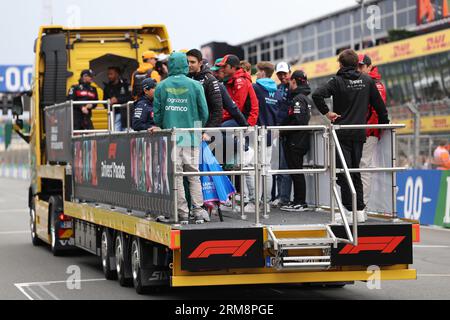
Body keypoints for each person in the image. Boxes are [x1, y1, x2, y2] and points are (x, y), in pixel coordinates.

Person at [312, 49, 389, 223]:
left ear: (340, 64)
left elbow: (317, 94)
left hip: (342, 132)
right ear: (356, 64)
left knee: (343, 173)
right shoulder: (368, 80)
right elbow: (380, 107)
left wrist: (327, 113)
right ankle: (359, 210)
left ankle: (349, 209)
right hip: (359, 133)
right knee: (354, 171)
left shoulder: (337, 81)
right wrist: (385, 125)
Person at [152, 52, 210, 224]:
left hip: (172, 135)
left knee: (176, 176)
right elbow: (204, 112)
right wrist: (196, 128)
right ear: (185, 64)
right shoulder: (195, 85)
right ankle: (198, 211)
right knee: (193, 175)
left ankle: (182, 212)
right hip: (191, 134)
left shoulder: (162, 86)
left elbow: (157, 115)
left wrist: (164, 126)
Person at [244, 61, 280, 212]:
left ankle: (253, 202)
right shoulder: (276, 91)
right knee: (266, 168)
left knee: (250, 167)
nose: (256, 74)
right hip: (269, 134)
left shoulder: (255, 88)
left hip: (255, 133)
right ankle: (266, 203)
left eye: (257, 71)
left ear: (263, 72)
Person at [280, 70, 312, 212]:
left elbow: (300, 121)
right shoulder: (303, 97)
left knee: (296, 171)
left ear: (294, 81)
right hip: (298, 139)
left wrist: (282, 130)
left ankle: (301, 202)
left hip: (296, 141)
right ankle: (298, 200)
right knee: (295, 171)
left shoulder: (298, 98)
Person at [357, 54, 387, 205]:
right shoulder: (362, 82)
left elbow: (377, 112)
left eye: (361, 66)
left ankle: (363, 207)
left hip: (369, 132)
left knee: (363, 167)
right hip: (361, 132)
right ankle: (357, 207)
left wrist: (366, 130)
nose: (358, 69)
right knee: (358, 168)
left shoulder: (376, 84)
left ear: (369, 67)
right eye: (356, 66)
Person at [217, 54, 259, 127]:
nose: (222, 69)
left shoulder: (240, 81)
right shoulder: (230, 80)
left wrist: (220, 117)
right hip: (238, 117)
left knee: (219, 128)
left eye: (224, 66)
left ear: (233, 67)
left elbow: (236, 107)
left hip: (246, 120)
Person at [271, 61, 292, 208]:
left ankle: (284, 198)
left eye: (284, 73)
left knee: (285, 167)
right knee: (277, 166)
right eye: (280, 74)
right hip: (277, 131)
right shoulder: (277, 88)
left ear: (290, 72)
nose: (282, 76)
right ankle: (279, 196)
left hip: (289, 132)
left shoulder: (295, 87)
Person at [187, 49, 223, 128]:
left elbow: (218, 110)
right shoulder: (185, 79)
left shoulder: (210, 80)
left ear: (200, 63)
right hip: (188, 126)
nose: (189, 65)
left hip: (205, 128)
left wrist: (207, 131)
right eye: (187, 62)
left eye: (192, 62)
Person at [210, 58, 249, 127]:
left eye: (217, 71)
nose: (215, 74)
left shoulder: (239, 81)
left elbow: (235, 108)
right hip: (231, 118)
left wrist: (219, 118)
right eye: (214, 72)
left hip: (241, 120)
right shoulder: (223, 83)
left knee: (218, 128)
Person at [103, 67, 131, 131]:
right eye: (108, 74)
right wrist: (109, 102)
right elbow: (104, 102)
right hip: (114, 114)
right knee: (115, 132)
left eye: (111, 74)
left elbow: (130, 98)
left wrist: (117, 99)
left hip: (126, 114)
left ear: (117, 74)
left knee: (127, 132)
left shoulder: (125, 85)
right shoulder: (107, 87)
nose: (109, 76)